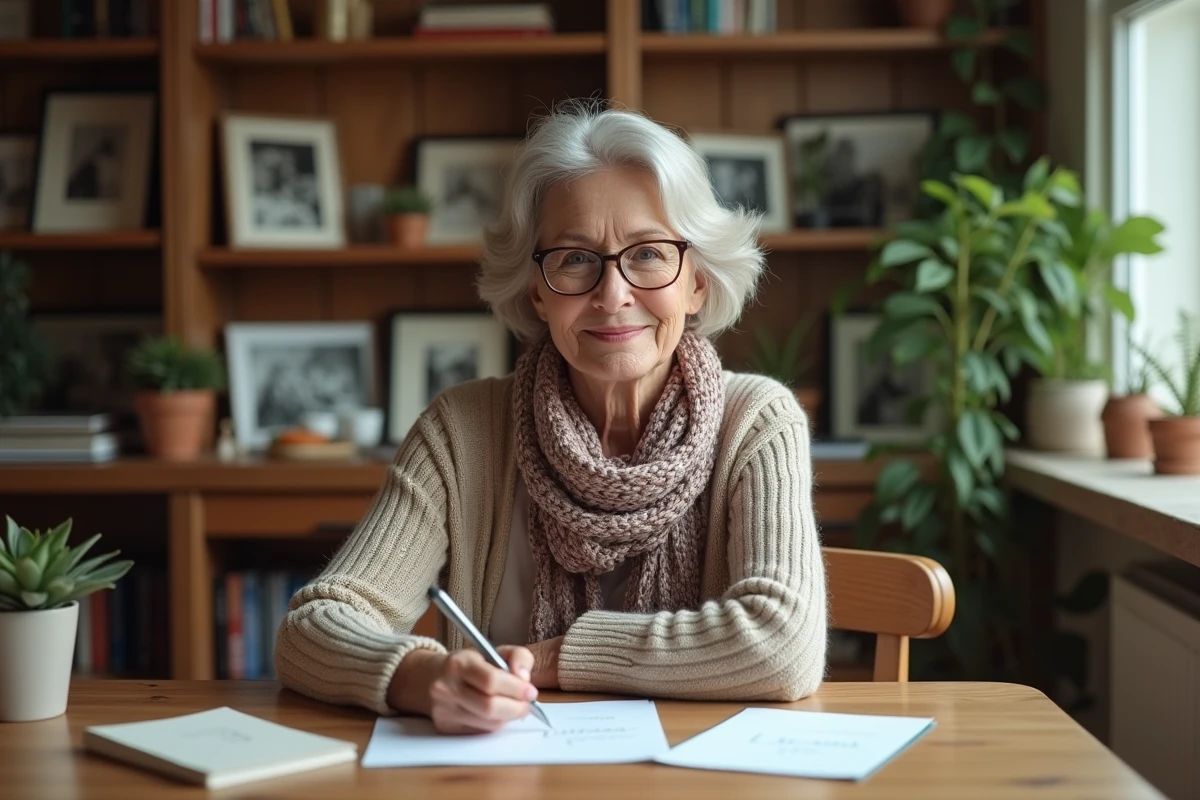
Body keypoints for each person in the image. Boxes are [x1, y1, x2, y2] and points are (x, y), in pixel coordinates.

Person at [275, 101, 828, 735]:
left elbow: (781, 646)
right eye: (573, 259)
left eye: (648, 254)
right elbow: (313, 629)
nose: (613, 294)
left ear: (696, 282)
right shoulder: (464, 429)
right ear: (536, 290)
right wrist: (422, 679)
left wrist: (553, 660)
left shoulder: (757, 422)